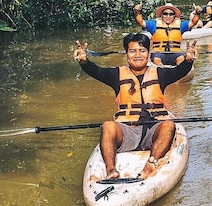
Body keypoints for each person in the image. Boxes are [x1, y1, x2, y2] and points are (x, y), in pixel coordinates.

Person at [73, 32, 198, 179]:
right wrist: (84, 62)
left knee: (169, 125)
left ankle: (151, 163)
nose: (137, 55)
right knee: (107, 126)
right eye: (133, 51)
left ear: (148, 53)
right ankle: (111, 170)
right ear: (126, 54)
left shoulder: (160, 73)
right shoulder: (116, 75)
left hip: (153, 131)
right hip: (128, 131)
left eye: (142, 51)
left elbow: (179, 71)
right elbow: (97, 71)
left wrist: (188, 61)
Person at [135, 2, 199, 65]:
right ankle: (160, 69)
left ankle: (180, 69)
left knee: (181, 59)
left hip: (175, 52)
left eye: (171, 14)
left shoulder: (181, 25)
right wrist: (137, 12)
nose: (168, 16)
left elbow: (193, 22)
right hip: (158, 52)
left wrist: (197, 13)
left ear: (174, 16)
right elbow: (141, 22)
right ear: (162, 15)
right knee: (157, 59)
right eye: (165, 14)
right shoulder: (154, 24)